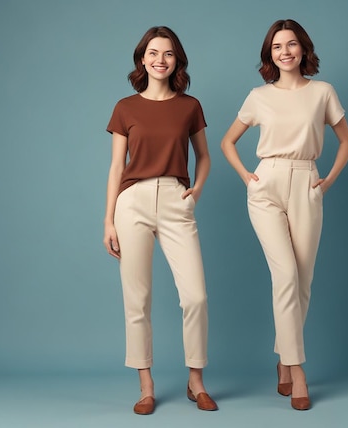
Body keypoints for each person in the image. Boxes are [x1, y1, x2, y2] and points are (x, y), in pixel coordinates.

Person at [220, 19, 348, 410]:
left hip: (307, 181)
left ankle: (282, 356)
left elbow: (346, 141)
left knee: (303, 280)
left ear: (303, 49)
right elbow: (228, 141)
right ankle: (297, 370)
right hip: (267, 186)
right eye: (277, 46)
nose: (285, 52)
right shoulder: (258, 96)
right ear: (270, 55)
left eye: (291, 44)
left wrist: (326, 180)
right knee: (285, 276)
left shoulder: (323, 93)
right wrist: (247, 176)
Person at [103, 26, 217, 415]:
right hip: (131, 202)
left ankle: (195, 381)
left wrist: (197, 189)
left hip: (174, 199)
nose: (160, 60)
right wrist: (108, 221)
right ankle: (146, 385)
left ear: (176, 60)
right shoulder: (125, 107)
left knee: (196, 296)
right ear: (142, 59)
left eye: (167, 54)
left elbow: (204, 156)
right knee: (138, 298)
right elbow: (117, 166)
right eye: (153, 53)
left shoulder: (189, 106)